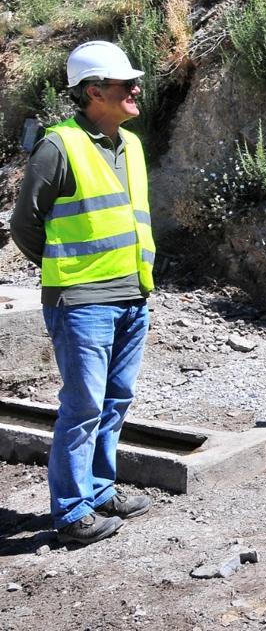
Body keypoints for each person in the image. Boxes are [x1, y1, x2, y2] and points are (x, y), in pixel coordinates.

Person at [11, 41, 156, 545]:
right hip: (81, 302)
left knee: (116, 399)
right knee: (83, 406)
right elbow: (24, 226)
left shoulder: (132, 145)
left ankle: (99, 490)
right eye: (124, 84)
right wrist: (65, 269)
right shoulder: (59, 145)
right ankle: (72, 512)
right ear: (94, 92)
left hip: (133, 296)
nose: (136, 89)